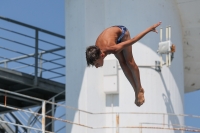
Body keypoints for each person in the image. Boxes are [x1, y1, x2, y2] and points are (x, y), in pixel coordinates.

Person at [85, 22, 162, 107]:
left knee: (129, 62)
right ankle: (136, 90)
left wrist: (149, 29)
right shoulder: (96, 50)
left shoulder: (113, 48)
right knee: (122, 63)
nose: (96, 67)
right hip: (112, 37)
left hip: (122, 33)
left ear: (102, 55)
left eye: (96, 64)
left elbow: (133, 40)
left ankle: (139, 88)